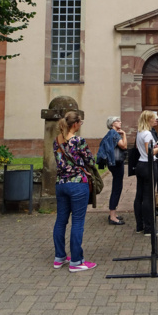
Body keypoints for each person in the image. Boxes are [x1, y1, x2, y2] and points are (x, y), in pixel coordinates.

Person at [53, 111, 97, 272]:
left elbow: (60, 163)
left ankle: (59, 257)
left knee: (61, 221)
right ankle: (76, 262)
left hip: (61, 183)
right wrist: (81, 167)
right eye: (81, 123)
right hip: (78, 183)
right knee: (78, 222)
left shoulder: (57, 141)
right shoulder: (79, 141)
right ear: (76, 124)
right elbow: (91, 160)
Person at [134, 110, 158, 236]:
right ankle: (149, 229)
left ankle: (139, 226)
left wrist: (154, 146)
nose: (156, 120)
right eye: (154, 118)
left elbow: (139, 148)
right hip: (148, 165)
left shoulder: (140, 132)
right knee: (148, 198)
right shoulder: (147, 134)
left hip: (140, 165)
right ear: (148, 120)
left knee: (139, 196)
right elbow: (150, 153)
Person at [97, 116, 127, 225]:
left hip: (112, 163)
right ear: (112, 123)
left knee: (116, 187)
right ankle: (112, 216)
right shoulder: (114, 134)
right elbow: (124, 146)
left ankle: (113, 213)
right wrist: (124, 135)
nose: (120, 122)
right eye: (118, 121)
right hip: (117, 164)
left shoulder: (109, 134)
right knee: (117, 188)